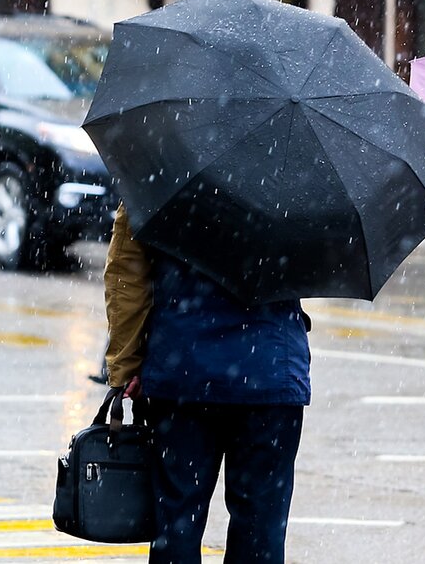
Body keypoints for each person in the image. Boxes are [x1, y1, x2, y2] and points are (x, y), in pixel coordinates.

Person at [103, 203, 310, 564]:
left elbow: (127, 270)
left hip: (184, 369)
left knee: (177, 523)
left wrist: (125, 364)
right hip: (270, 370)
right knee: (261, 529)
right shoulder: (299, 166)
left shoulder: (162, 156)